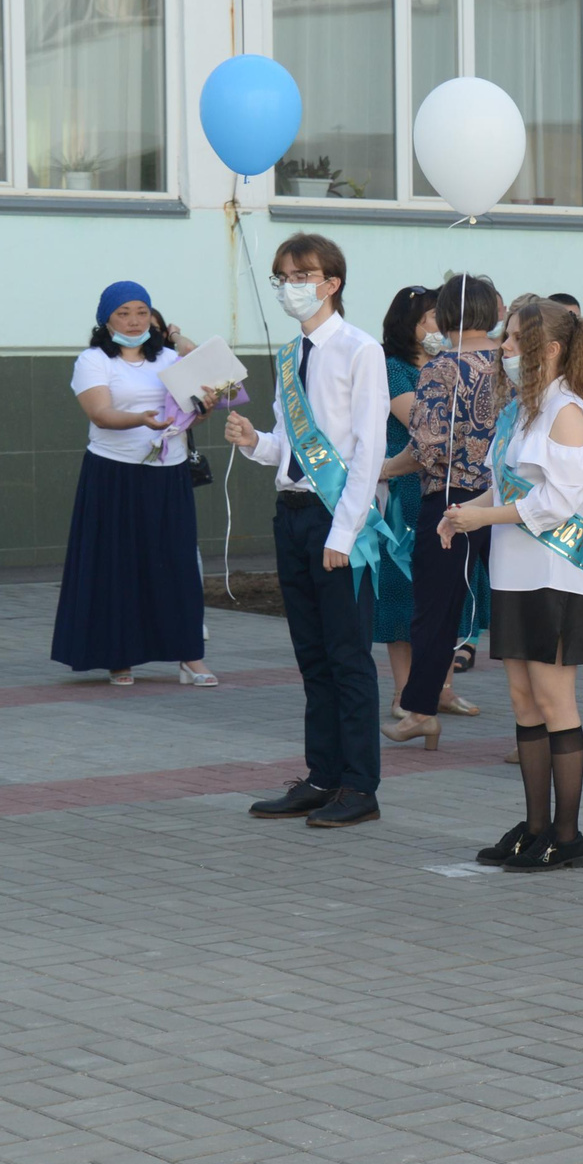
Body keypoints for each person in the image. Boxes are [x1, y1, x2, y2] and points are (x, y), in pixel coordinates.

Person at [439, 295, 583, 872]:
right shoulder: (524, 410)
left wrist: (482, 518)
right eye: (506, 338)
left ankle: (568, 837)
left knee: (554, 700)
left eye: (515, 339)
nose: (505, 348)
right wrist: (465, 509)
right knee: (523, 699)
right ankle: (535, 825)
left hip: (556, 575)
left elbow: (557, 504)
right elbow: (509, 488)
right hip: (517, 571)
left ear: (552, 349)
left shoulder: (567, 411)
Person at [225, 235, 396, 829]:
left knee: (349, 657)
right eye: (282, 277)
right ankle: (322, 776)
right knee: (312, 657)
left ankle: (359, 786)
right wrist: (254, 443)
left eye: (301, 275)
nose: (290, 286)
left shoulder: (359, 349)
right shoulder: (287, 355)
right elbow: (289, 446)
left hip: (336, 518)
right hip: (292, 513)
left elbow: (369, 451)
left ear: (332, 282)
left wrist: (344, 535)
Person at [51, 281, 212, 687]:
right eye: (123, 313)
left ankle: (189, 656)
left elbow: (193, 410)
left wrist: (203, 407)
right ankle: (117, 656)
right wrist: (142, 418)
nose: (134, 320)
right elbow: (102, 414)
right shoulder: (92, 361)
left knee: (176, 563)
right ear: (106, 320)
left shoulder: (171, 360)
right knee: (116, 565)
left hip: (169, 472)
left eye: (141, 311)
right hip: (113, 474)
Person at [388, 274, 501, 748]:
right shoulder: (512, 360)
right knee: (509, 610)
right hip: (503, 500)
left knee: (434, 608)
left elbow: (427, 447)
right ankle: (533, 725)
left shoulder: (442, 366)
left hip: (449, 501)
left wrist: (382, 470)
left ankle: (419, 709)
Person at [371, 286, 435, 716]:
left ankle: (437, 691)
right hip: (403, 488)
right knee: (402, 589)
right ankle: (401, 692)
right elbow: (422, 420)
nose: (439, 326)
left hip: (442, 488)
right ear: (408, 323)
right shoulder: (393, 367)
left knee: (438, 591)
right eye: (431, 317)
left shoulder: (443, 365)